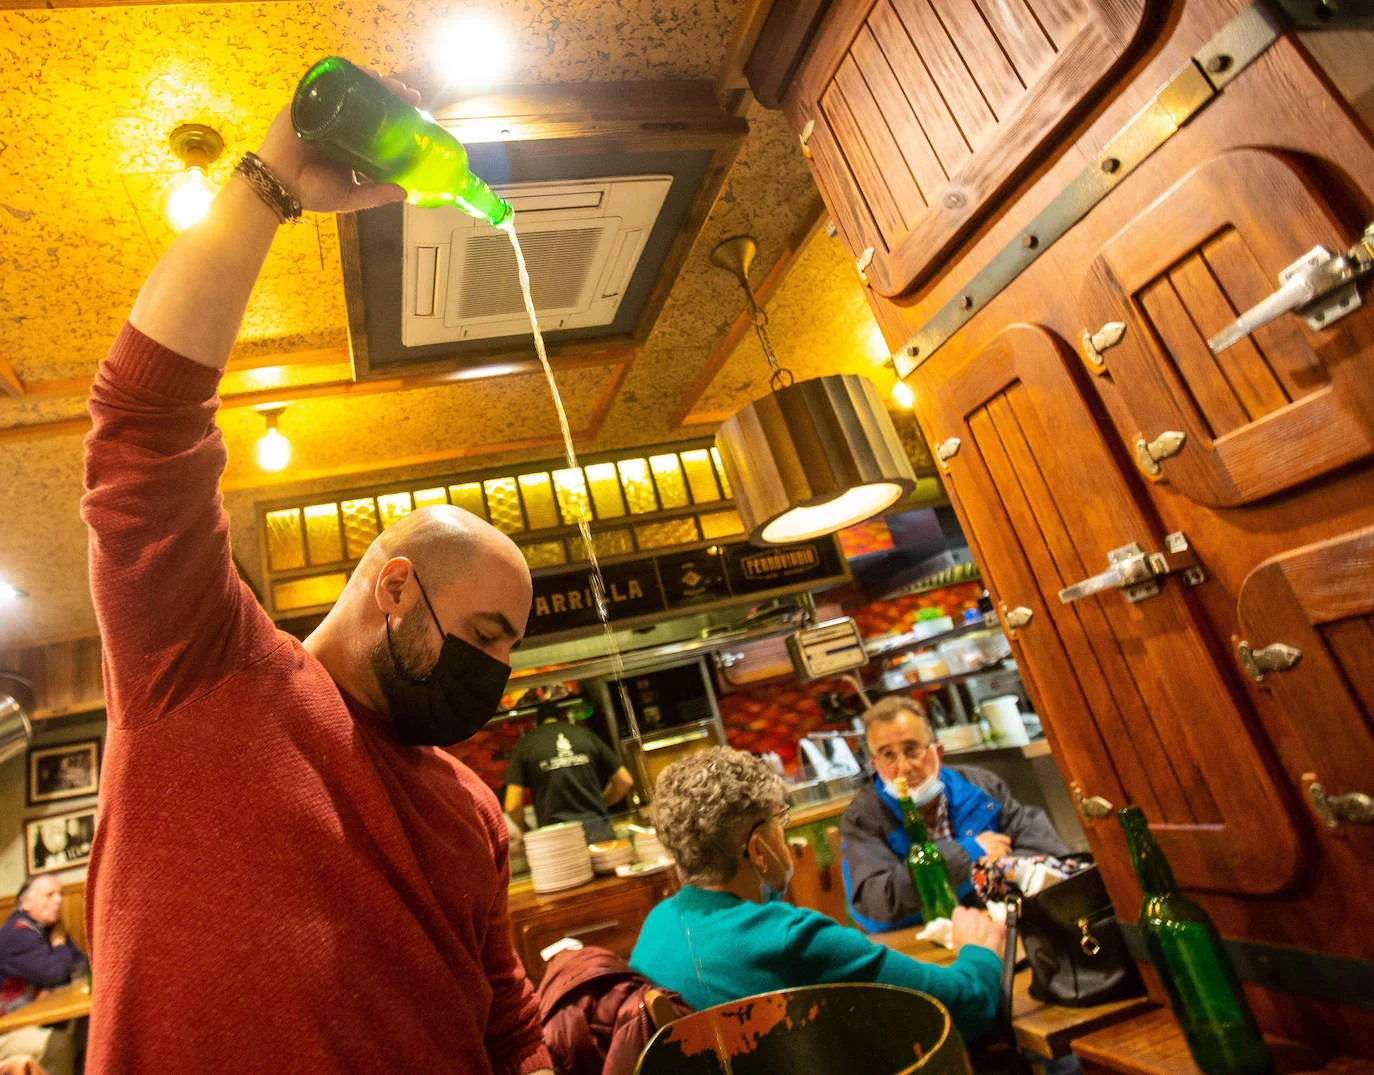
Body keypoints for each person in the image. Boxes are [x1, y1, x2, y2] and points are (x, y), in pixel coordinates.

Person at [79, 72, 552, 1074]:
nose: (497, 676)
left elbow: (506, 1019)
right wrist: (273, 176)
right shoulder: (198, 669)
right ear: (394, 587)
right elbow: (142, 422)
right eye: (484, 638)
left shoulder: (469, 809)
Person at [628, 747, 1004, 1043]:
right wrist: (979, 951)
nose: (783, 836)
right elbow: (962, 1008)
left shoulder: (656, 926)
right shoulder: (793, 938)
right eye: (779, 822)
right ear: (757, 850)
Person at [842, 697, 1070, 931]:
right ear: (875, 764)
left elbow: (1048, 858)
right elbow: (876, 907)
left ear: (937, 753)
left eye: (912, 750)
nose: (903, 768)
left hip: (1007, 930)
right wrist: (972, 853)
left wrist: (939, 883)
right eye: (888, 755)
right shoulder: (864, 817)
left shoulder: (981, 786)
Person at [504, 701, 634, 843]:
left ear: (537, 722)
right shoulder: (584, 734)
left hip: (558, 840)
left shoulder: (526, 744)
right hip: (599, 831)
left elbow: (512, 805)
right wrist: (600, 803)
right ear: (562, 718)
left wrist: (526, 831)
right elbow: (625, 781)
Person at [0, 876, 86, 1075]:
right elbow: (55, 974)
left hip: (32, 1018)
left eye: (60, 894)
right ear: (26, 903)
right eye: (49, 895)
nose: (58, 900)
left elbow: (81, 965)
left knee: (84, 1027)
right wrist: (59, 946)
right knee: (58, 1045)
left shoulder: (48, 928)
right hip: (7, 1027)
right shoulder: (16, 935)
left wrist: (60, 949)